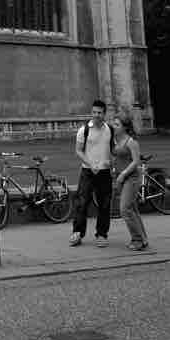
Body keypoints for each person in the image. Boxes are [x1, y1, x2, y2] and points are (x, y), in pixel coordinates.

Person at [69, 99, 114, 247]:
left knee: (104, 204)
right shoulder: (84, 130)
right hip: (88, 171)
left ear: (104, 114)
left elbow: (114, 150)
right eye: (94, 112)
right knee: (82, 203)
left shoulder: (110, 130)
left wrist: (111, 161)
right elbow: (78, 150)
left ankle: (101, 235)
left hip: (104, 172)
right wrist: (90, 163)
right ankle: (77, 233)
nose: (96, 115)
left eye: (100, 113)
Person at [113, 115, 149, 251]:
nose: (114, 126)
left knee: (125, 209)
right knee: (133, 209)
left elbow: (136, 161)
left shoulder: (131, 142)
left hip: (132, 178)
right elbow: (116, 156)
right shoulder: (116, 140)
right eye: (114, 124)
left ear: (124, 127)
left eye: (117, 125)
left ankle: (137, 240)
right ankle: (143, 239)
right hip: (121, 177)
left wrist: (122, 174)